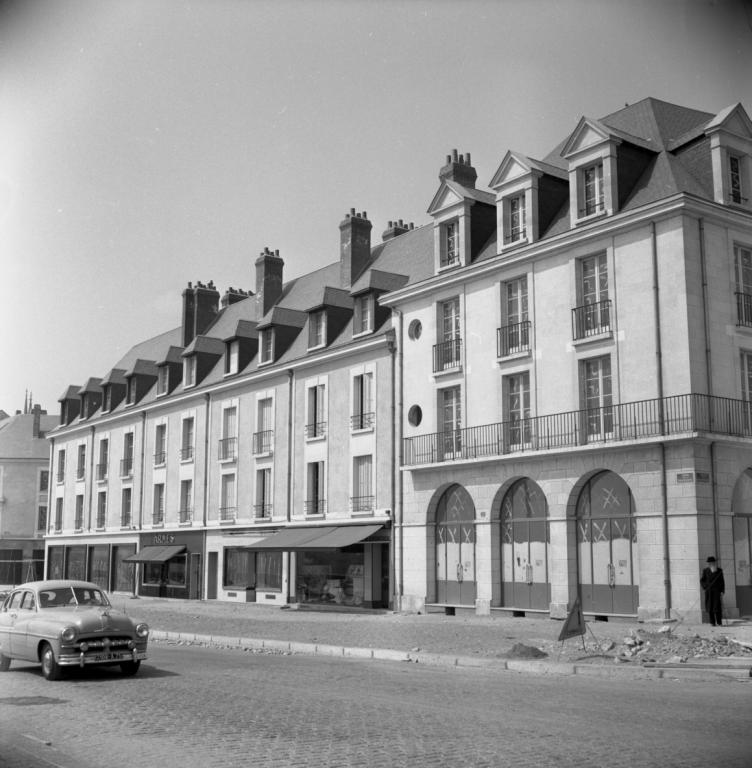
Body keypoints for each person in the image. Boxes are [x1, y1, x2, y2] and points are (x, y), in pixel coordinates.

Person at [700, 556, 725, 627]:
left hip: (717, 592)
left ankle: (719, 622)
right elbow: (702, 580)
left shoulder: (719, 570)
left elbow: (722, 581)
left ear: (714, 563)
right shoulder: (705, 571)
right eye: (709, 563)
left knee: (717, 607)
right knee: (710, 607)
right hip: (709, 592)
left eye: (712, 562)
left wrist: (722, 590)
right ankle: (712, 622)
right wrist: (705, 587)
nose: (711, 564)